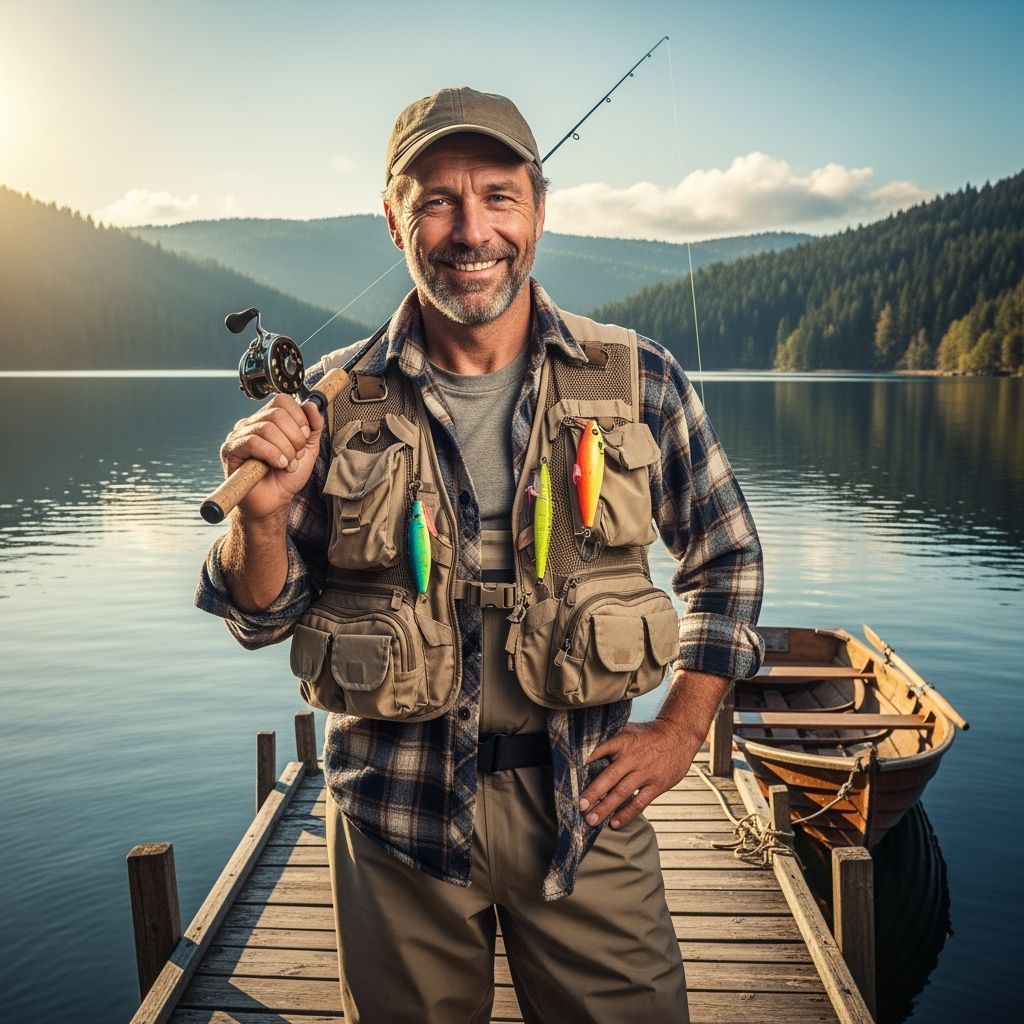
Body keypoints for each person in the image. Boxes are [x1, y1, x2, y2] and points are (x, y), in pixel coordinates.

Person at [196, 86, 764, 1024]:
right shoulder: (330, 404)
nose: (472, 231)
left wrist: (679, 731)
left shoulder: (641, 377)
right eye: (437, 202)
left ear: (539, 209)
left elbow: (727, 561)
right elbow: (262, 617)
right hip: (394, 825)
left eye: (498, 196)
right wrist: (259, 523)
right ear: (394, 221)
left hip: (589, 817)